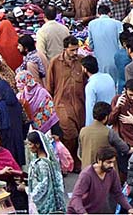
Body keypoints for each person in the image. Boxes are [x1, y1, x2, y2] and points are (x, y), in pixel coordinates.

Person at [46, 36, 86, 169]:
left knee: (78, 135)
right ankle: (70, 161)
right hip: (61, 105)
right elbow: (49, 86)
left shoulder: (81, 61)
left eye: (76, 50)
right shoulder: (55, 62)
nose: (75, 53)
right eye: (72, 50)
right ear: (65, 49)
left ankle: (69, 161)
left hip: (79, 106)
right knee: (70, 134)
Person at [69, 146, 133, 214]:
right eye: (108, 162)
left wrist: (129, 208)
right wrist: (83, 213)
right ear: (99, 161)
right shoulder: (87, 175)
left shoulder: (111, 172)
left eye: (113, 162)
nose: (112, 165)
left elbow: (118, 193)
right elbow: (76, 197)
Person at [78, 101, 131, 171]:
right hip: (105, 173)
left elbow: (80, 154)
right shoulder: (109, 132)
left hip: (86, 171)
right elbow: (125, 148)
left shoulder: (83, 131)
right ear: (106, 117)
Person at [26, 130, 67, 214]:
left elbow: (44, 185)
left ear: (37, 145)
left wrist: (26, 189)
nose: (28, 146)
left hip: (44, 205)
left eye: (30, 144)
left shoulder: (41, 164)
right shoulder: (47, 160)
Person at [87, 5, 123, 80]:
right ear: (109, 13)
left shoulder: (91, 24)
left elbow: (90, 45)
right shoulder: (118, 23)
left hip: (99, 62)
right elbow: (121, 44)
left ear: (98, 14)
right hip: (115, 61)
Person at [82, 56, 116, 128]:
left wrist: (88, 129)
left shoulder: (90, 86)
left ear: (85, 69)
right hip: (113, 121)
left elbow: (90, 109)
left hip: (101, 125)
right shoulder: (108, 77)